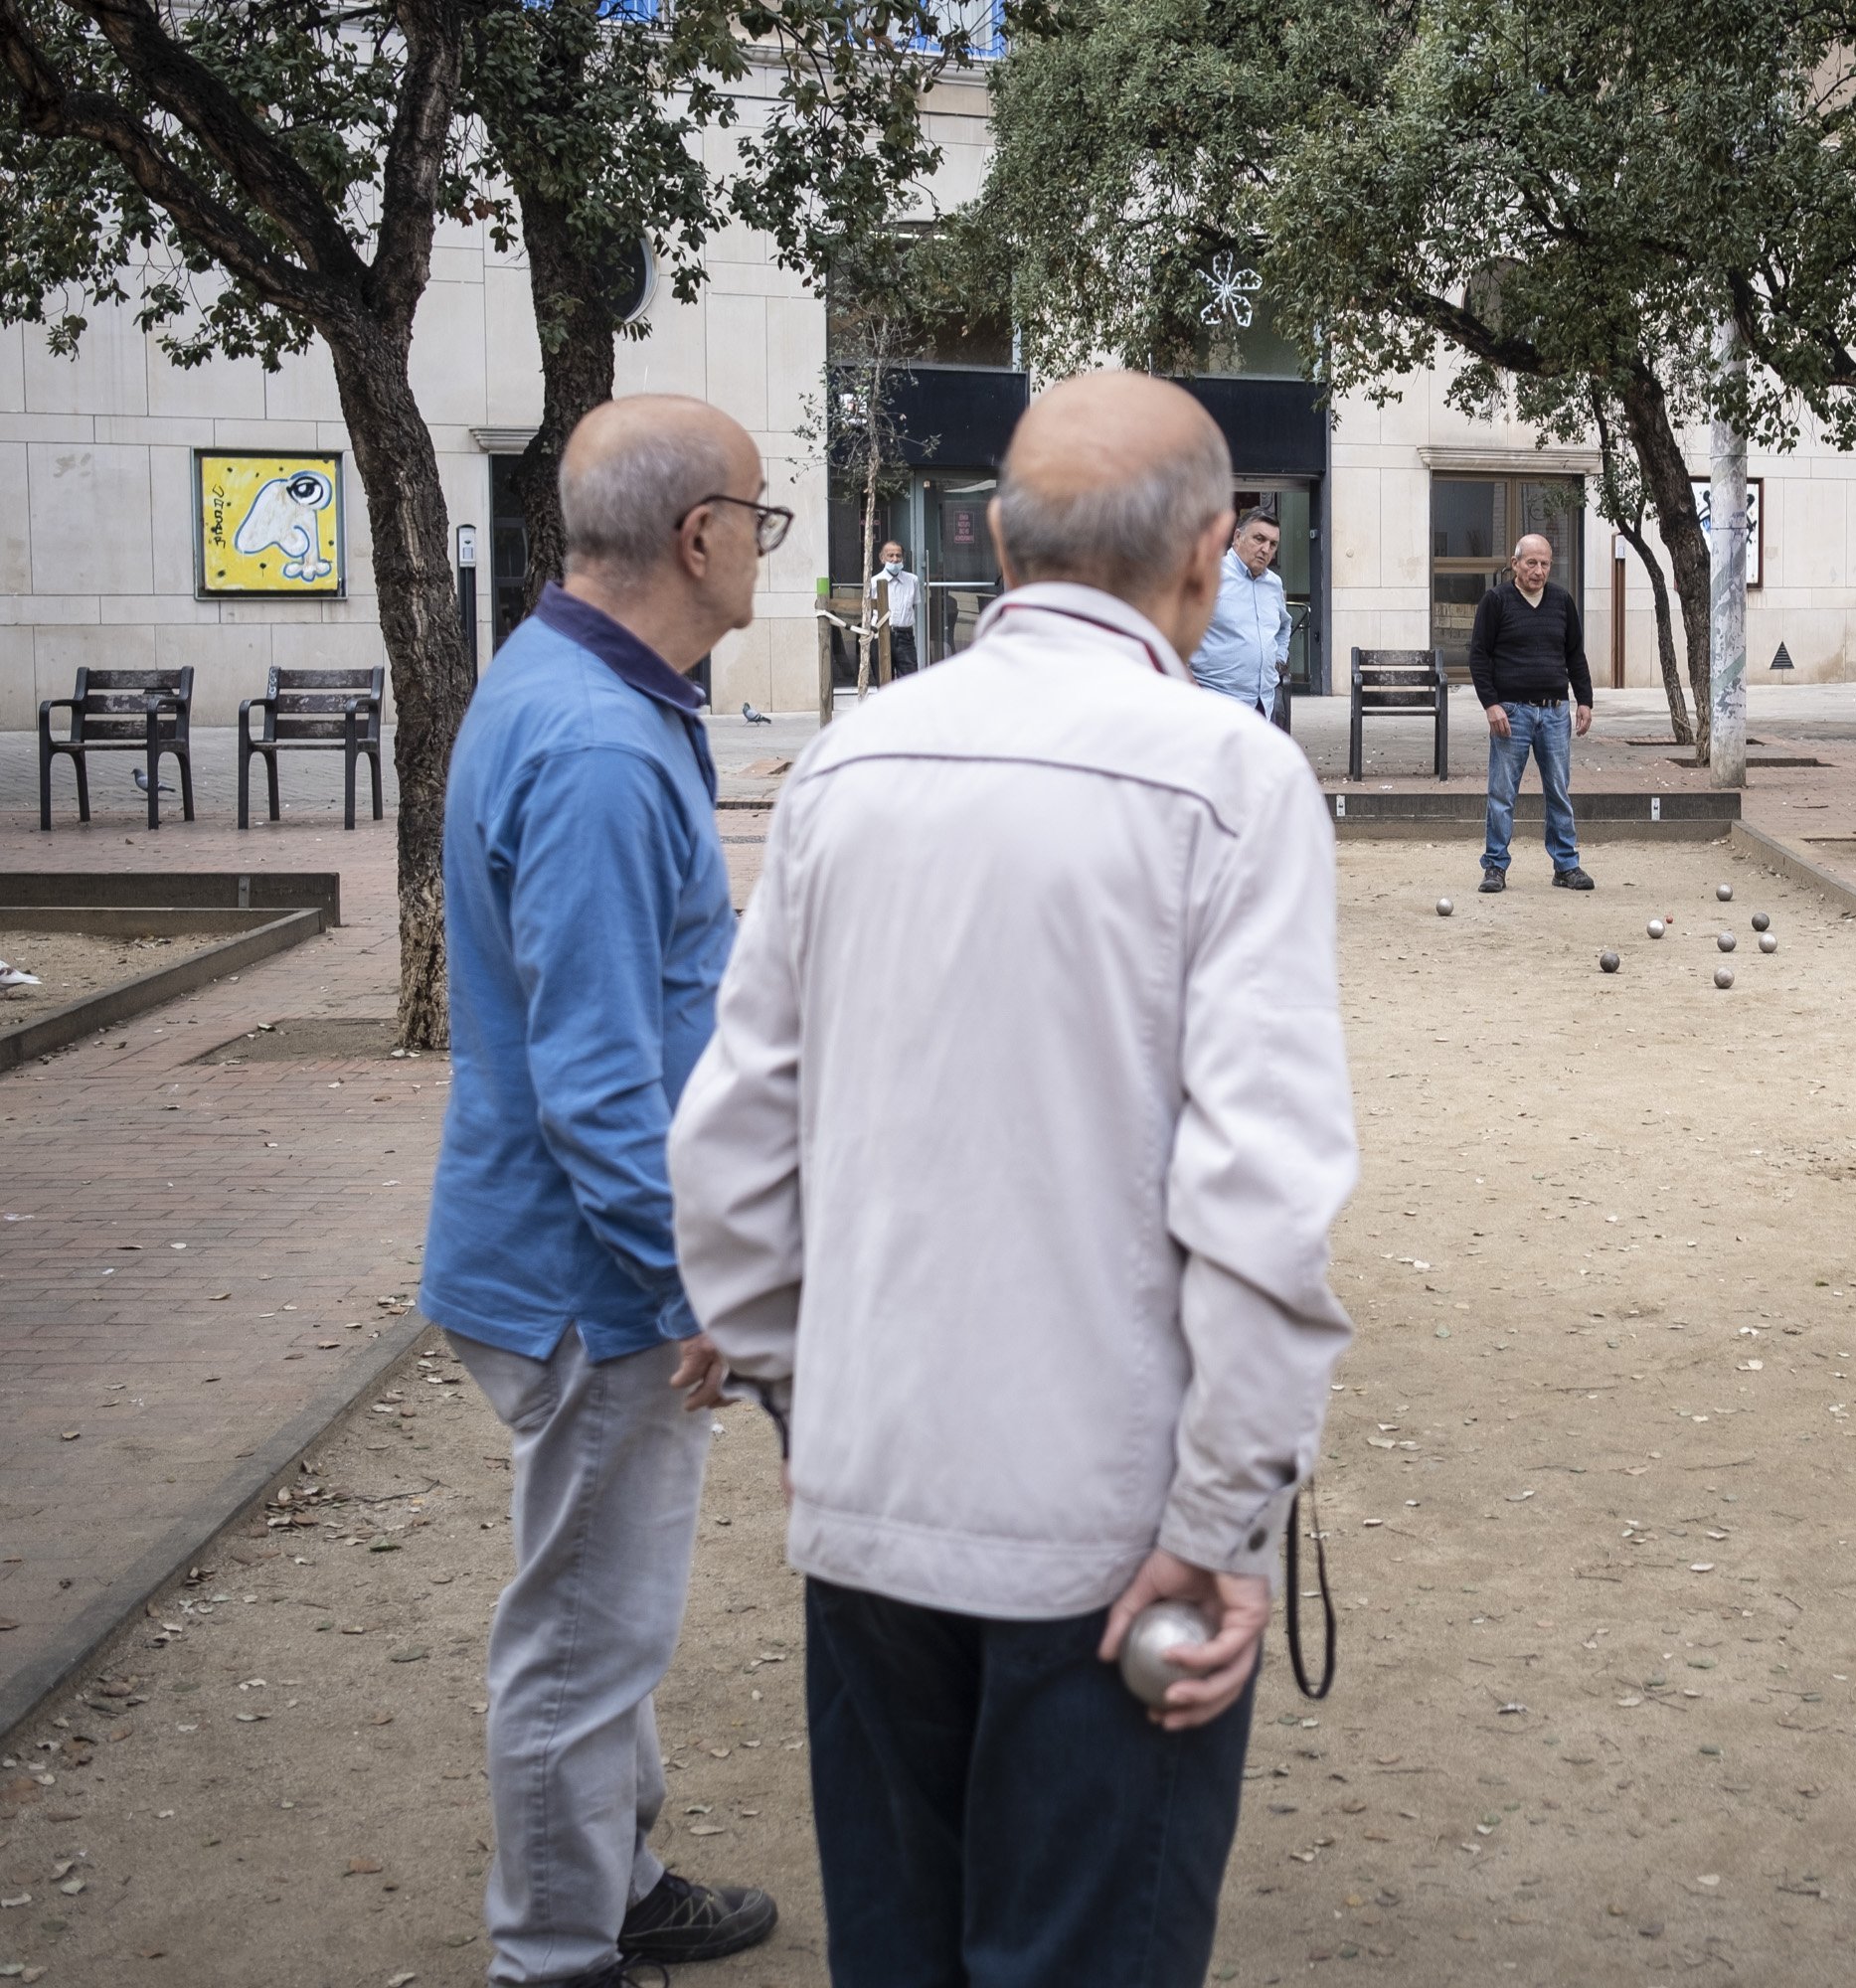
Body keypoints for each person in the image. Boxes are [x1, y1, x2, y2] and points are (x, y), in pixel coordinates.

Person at [668, 370, 1358, 1988]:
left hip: (877, 1497)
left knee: (899, 1950)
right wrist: (1222, 1515)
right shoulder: (1229, 780)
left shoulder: (849, 766)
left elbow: (733, 1142)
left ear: (992, 538)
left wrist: (799, 1395)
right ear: (1207, 558)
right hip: (1115, 1541)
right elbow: (1263, 1193)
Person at [422, 394, 785, 1988]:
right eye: (761, 519)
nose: (767, 547)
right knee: (582, 1638)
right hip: (592, 1279)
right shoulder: (592, 742)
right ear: (699, 536)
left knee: (599, 1612)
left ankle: (615, 1882)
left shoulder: (575, 684)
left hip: (570, 1261)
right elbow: (594, 1085)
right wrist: (690, 1286)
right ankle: (555, 1954)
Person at [1468, 531, 1595, 893]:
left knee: (1558, 790)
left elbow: (1575, 654)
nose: (1538, 571)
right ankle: (1495, 866)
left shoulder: (1561, 601)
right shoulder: (1496, 601)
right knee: (1502, 793)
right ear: (1515, 564)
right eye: (1531, 563)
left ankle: (1566, 866)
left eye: (1545, 564)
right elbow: (1479, 656)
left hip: (1554, 713)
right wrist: (1490, 704)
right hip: (1511, 713)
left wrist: (1584, 699)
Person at [1191, 506, 1292, 718]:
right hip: (1217, 701)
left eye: (1273, 544)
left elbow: (1284, 626)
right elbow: (1175, 631)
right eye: (1259, 539)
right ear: (1237, 537)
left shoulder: (1274, 584)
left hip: (1264, 703)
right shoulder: (1210, 577)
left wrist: (1279, 657)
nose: (1266, 549)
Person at [872, 539, 921, 681]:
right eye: (890, 555)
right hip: (880, 636)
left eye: (898, 556)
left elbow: (913, 606)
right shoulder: (874, 582)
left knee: (909, 681)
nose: (895, 559)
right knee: (884, 682)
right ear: (882, 558)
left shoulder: (912, 580)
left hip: (905, 636)